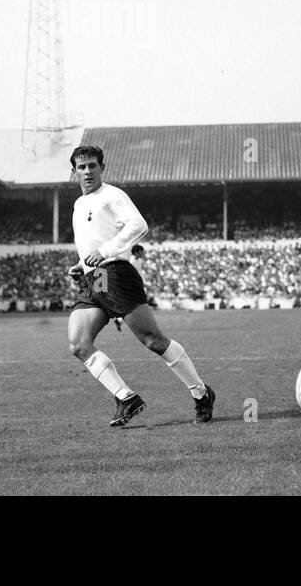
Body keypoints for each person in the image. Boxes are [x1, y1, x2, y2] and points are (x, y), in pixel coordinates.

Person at [65, 145, 214, 427]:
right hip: (93, 278)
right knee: (78, 343)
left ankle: (201, 393)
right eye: (82, 167)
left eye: (93, 166)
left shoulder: (112, 195)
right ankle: (126, 398)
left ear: (102, 168)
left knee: (153, 340)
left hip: (116, 273)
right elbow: (91, 243)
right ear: (74, 171)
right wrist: (82, 265)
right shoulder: (78, 204)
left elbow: (138, 225)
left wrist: (107, 251)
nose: (87, 171)